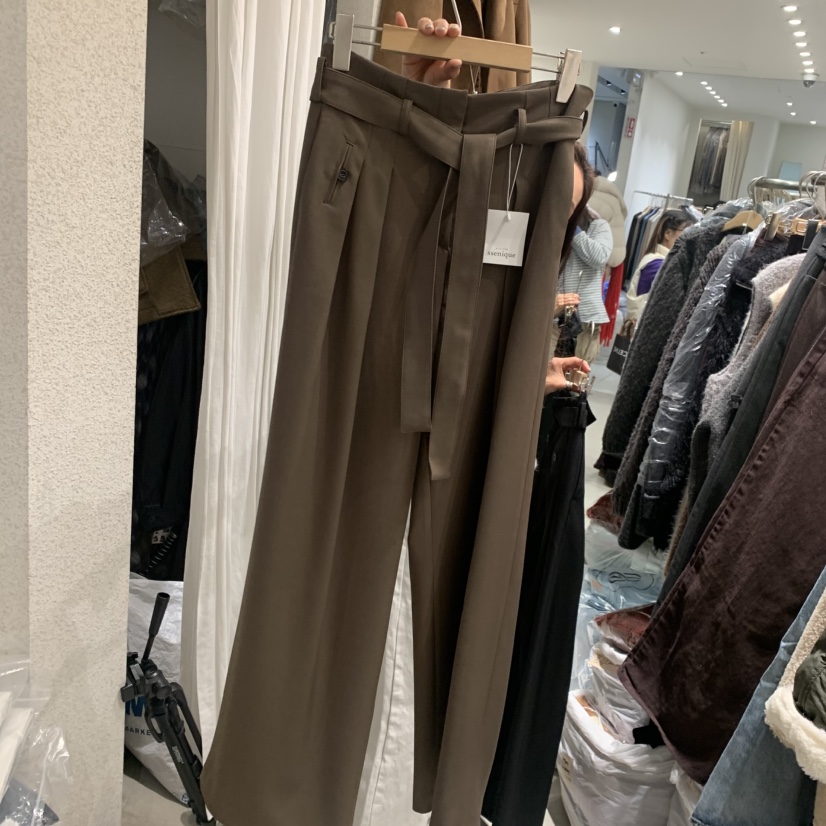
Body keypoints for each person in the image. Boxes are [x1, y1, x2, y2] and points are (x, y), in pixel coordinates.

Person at [396, 12, 593, 391]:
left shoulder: (532, 290)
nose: (543, 218)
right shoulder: (436, 241)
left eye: (561, 212)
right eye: (537, 199)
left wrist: (534, 379)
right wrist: (423, 98)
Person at [552, 157, 612, 362]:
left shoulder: (598, 225)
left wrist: (574, 231)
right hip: (555, 314)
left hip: (586, 318)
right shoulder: (554, 224)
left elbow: (600, 256)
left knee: (577, 373)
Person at [626, 208, 697, 322]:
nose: (690, 239)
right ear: (668, 234)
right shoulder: (658, 265)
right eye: (687, 233)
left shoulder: (658, 260)